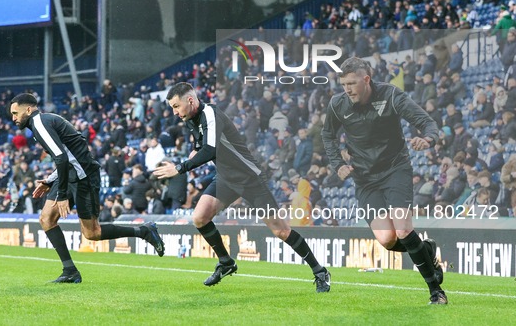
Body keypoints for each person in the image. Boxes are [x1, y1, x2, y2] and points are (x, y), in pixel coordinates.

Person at [153, 83, 331, 293]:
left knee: (281, 231)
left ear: (190, 101)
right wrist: (193, 152)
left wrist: (181, 168)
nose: (174, 112)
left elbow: (211, 148)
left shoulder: (210, 113)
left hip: (250, 179)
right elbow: (202, 145)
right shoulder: (190, 119)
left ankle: (320, 271)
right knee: (200, 217)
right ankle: (226, 262)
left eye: (176, 106)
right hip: (226, 179)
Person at [321, 58, 446, 305]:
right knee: (388, 240)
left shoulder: (390, 95)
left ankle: (436, 291)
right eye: (343, 84)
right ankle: (426, 250)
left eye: (352, 83)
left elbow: (426, 122)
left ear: (366, 79)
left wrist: (428, 139)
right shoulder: (338, 104)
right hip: (365, 179)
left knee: (403, 229)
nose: (347, 89)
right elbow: (327, 135)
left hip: (395, 169)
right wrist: (338, 164)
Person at [10, 93, 165, 284]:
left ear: (29, 109)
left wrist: (62, 194)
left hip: (84, 177)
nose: (13, 118)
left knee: (92, 233)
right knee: (46, 218)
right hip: (72, 172)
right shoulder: (43, 122)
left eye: (15, 113)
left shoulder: (40, 122)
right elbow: (67, 155)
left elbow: (62, 158)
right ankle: (70, 271)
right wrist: (51, 180)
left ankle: (144, 231)